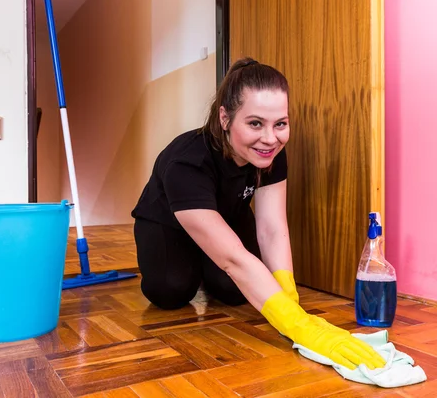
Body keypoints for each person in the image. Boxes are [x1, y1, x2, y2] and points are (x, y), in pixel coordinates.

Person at [131, 57, 385, 371]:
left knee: (235, 292)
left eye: (280, 123)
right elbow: (234, 258)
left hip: (228, 216)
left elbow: (272, 227)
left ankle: (211, 272)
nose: (270, 138)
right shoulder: (187, 162)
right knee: (170, 292)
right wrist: (298, 326)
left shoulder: (270, 152)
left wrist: (289, 299)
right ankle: (190, 267)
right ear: (225, 118)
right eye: (255, 123)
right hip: (168, 225)